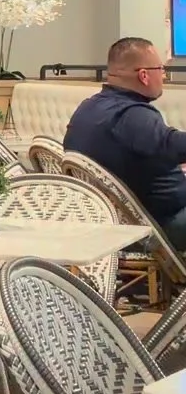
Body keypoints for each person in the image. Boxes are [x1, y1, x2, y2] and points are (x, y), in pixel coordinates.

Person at [64, 37, 186, 245]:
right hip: (160, 225)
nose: (164, 76)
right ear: (144, 75)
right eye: (161, 69)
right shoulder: (132, 115)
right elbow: (173, 144)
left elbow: (149, 152)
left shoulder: (88, 108)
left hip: (112, 220)